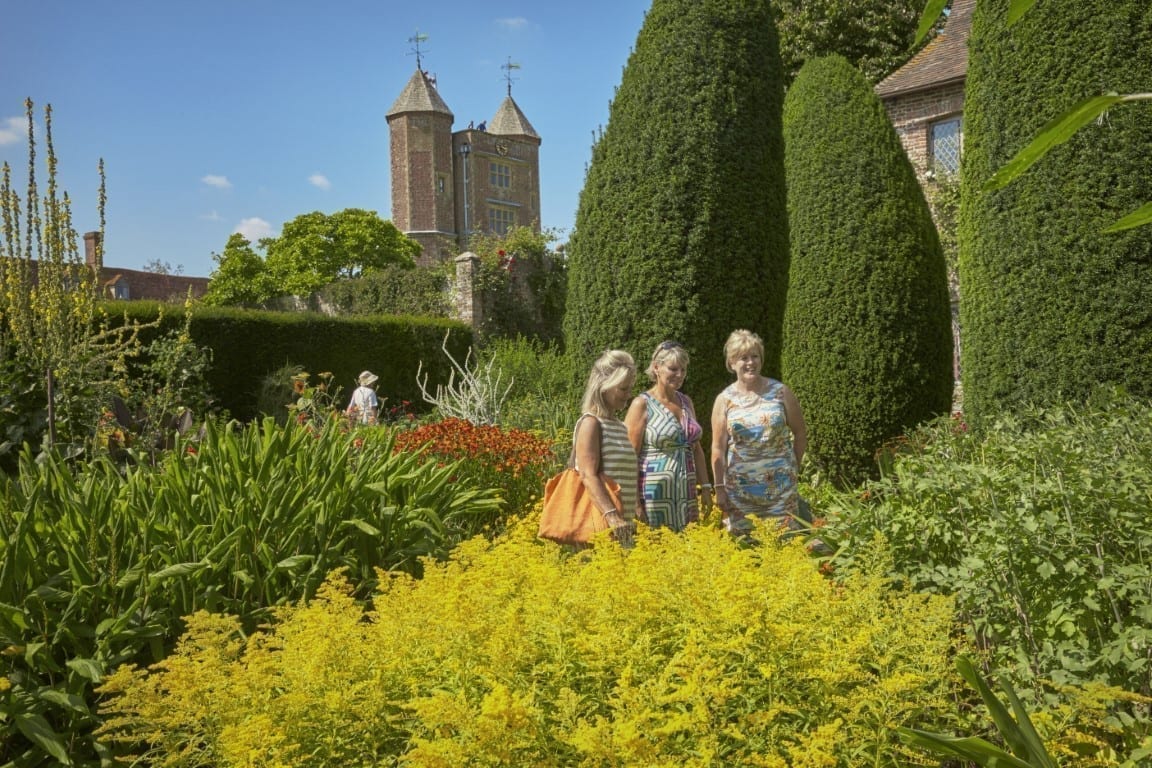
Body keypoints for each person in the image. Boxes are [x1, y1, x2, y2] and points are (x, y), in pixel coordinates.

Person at [710, 330, 807, 534]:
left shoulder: (781, 392)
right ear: (732, 363)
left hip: (781, 492)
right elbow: (717, 448)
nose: (750, 363)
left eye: (755, 356)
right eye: (743, 358)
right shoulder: (724, 400)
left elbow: (800, 433)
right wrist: (719, 489)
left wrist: (793, 468)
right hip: (741, 495)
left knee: (787, 545)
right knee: (747, 552)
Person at [625, 340, 711, 531]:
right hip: (654, 494)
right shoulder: (642, 404)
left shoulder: (686, 401)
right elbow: (630, 456)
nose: (679, 375)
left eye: (683, 370)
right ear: (657, 368)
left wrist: (705, 486)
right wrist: (634, 503)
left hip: (686, 492)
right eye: (673, 369)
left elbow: (696, 448)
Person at [573, 350, 639, 544]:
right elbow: (587, 474)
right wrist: (612, 516)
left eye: (629, 389)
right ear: (604, 386)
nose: (628, 395)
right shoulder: (591, 423)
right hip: (601, 523)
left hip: (622, 525)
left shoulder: (619, 426)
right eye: (623, 389)